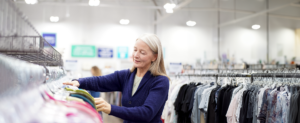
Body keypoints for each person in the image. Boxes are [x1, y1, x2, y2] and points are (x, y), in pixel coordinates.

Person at [63, 34, 170, 123]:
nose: (136, 55)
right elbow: (100, 81)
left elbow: (146, 113)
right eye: (135, 50)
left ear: (155, 57)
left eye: (142, 52)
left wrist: (110, 108)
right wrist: (78, 82)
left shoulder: (160, 81)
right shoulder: (126, 76)